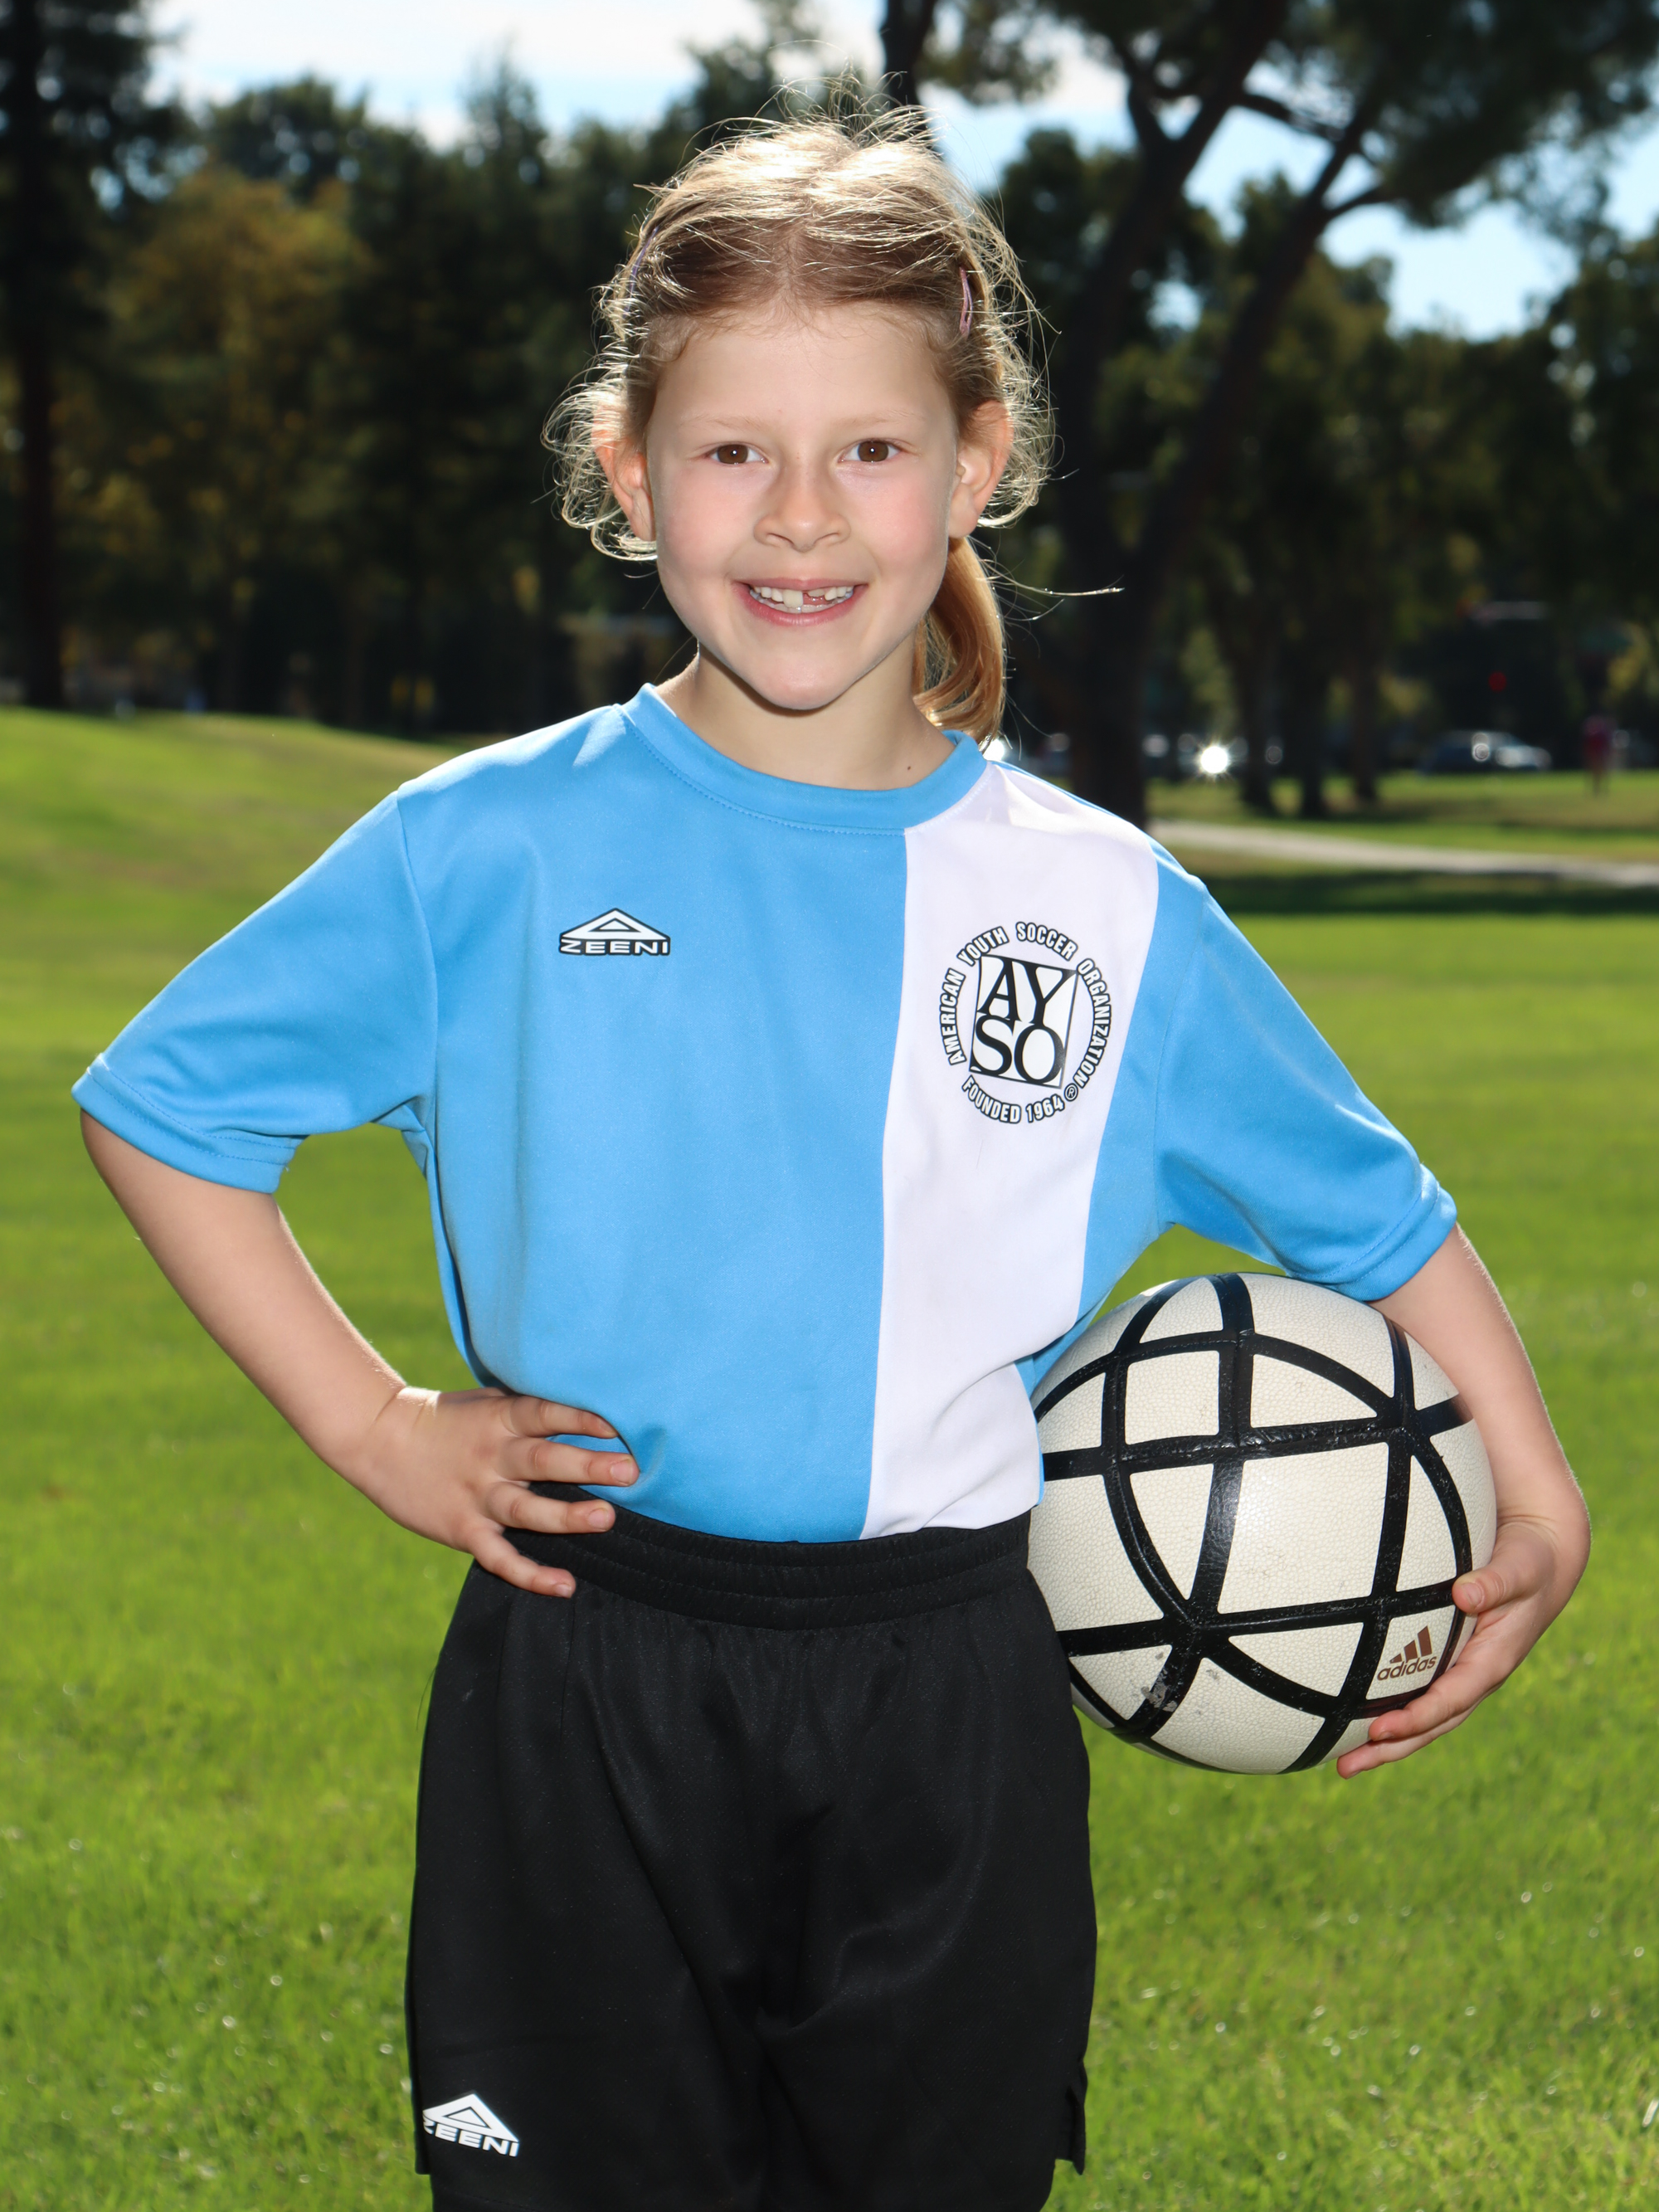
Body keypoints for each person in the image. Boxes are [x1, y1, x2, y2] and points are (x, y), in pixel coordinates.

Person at [74, 113, 1588, 2212]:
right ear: (631, 476)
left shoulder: (1102, 906)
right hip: (587, 1660)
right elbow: (165, 1109)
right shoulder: (489, 846)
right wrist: (379, 1424)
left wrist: (1538, 1483)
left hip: (955, 1689)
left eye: (869, 449)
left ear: (975, 466)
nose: (800, 515)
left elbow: (1372, 1212)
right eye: (732, 452)